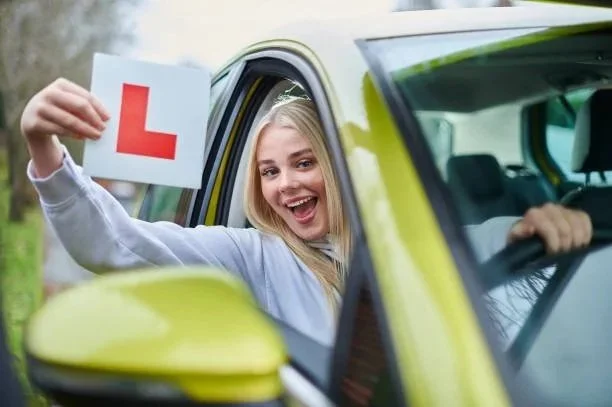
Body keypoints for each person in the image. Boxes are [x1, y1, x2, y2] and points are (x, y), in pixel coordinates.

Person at [20, 78, 593, 345]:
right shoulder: (252, 255)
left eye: (303, 163)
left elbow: (497, 246)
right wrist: (45, 147)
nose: (285, 185)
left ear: (340, 166)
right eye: (269, 172)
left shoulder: (423, 242)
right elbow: (114, 243)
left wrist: (552, 227)